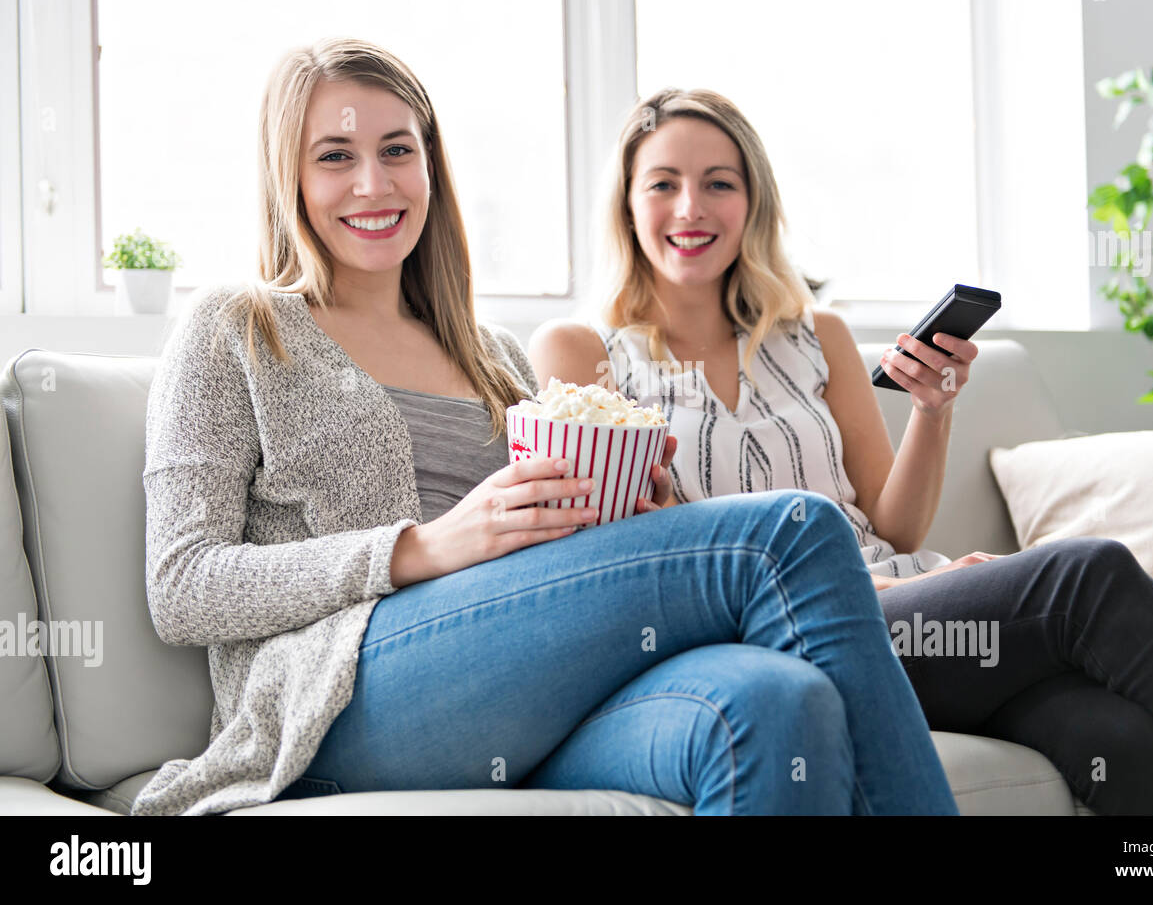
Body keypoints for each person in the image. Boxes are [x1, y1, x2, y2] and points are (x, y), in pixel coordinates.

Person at [130, 39, 959, 817]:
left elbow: (548, 571)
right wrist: (420, 547)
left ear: (430, 167)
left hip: (527, 696)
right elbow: (182, 586)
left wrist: (638, 514)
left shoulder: (491, 356)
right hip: (339, 696)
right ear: (289, 177)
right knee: (792, 530)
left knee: (781, 704)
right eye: (335, 156)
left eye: (396, 151)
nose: (374, 184)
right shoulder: (236, 329)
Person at [528, 86, 1153, 814]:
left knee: (1107, 736)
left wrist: (933, 411)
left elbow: (894, 533)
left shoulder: (813, 337)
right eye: (662, 183)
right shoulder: (583, 352)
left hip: (910, 614)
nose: (690, 208)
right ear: (627, 204)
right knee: (1086, 576)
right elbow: (642, 573)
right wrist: (889, 594)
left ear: (752, 201)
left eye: (718, 183)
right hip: (802, 628)